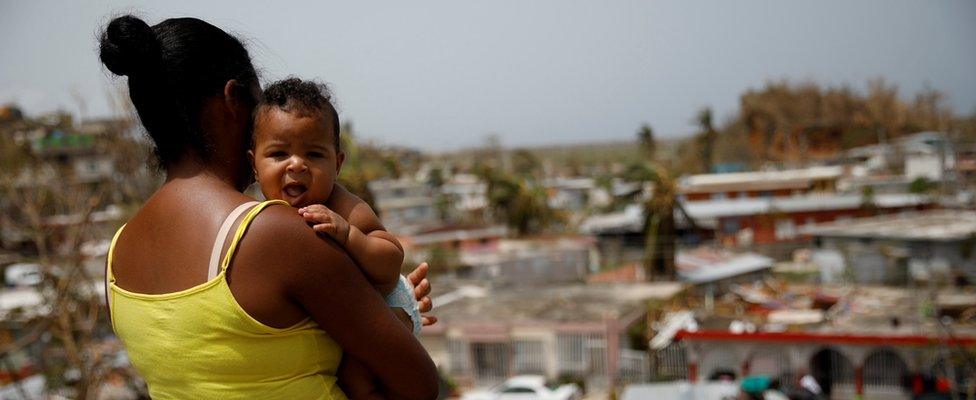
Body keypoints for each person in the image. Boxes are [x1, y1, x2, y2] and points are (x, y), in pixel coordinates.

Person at [99, 15, 438, 399]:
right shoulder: (272, 233)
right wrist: (398, 319)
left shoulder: (116, 256)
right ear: (233, 101)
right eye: (260, 107)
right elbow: (419, 384)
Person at [249, 77, 424, 395]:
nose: (297, 164)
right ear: (255, 165)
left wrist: (349, 235)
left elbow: (390, 259)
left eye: (314, 155)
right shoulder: (264, 216)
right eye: (278, 154)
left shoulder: (345, 207)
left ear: (338, 164)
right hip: (350, 320)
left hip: (390, 308)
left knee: (355, 377)